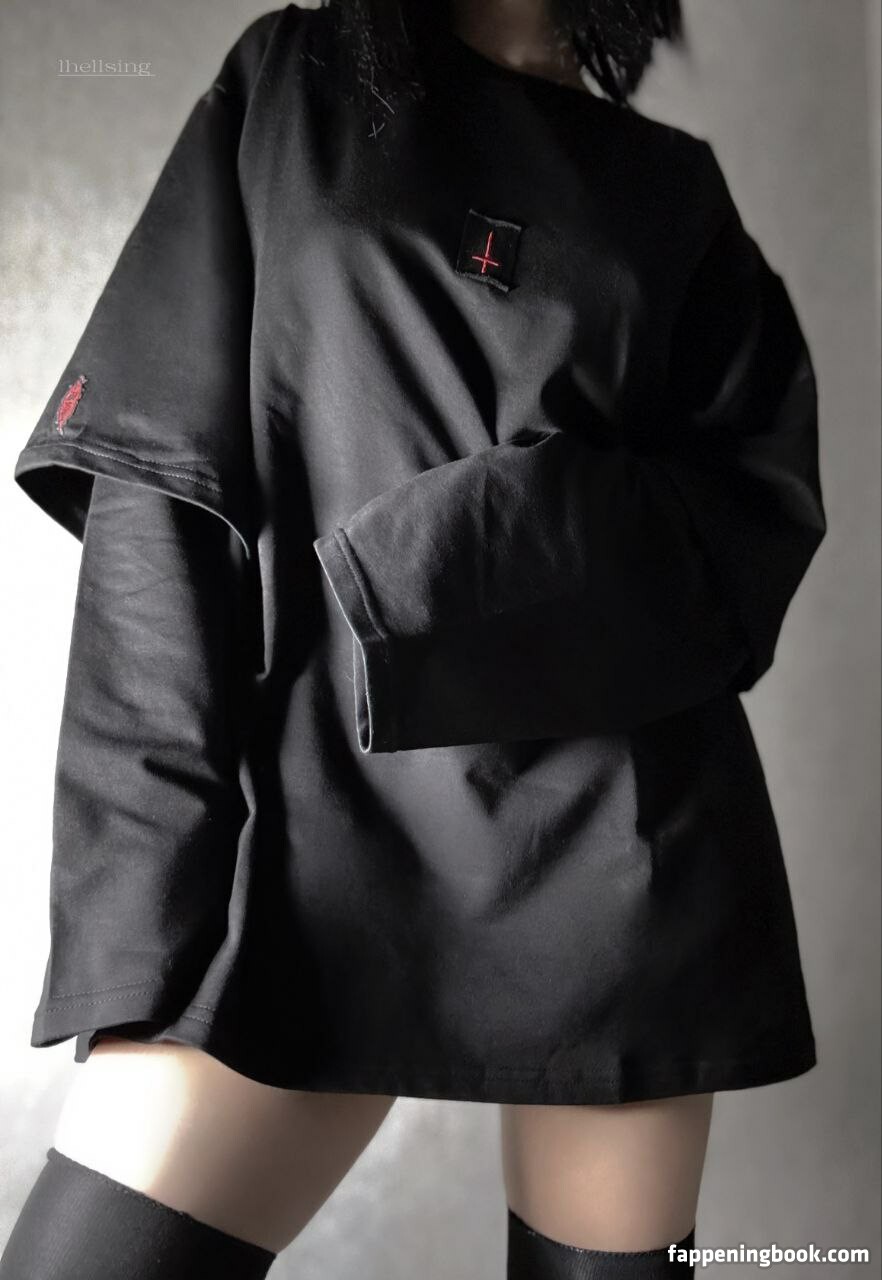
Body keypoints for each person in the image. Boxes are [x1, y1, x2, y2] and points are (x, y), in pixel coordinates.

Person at [1, 0, 827, 1276]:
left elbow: (749, 519)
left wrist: (434, 565)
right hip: (308, 837)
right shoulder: (297, 78)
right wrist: (135, 908)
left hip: (615, 855)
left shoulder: (673, 188)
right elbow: (157, 480)